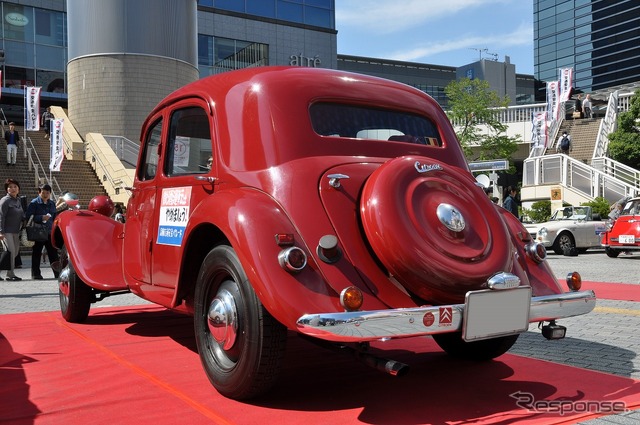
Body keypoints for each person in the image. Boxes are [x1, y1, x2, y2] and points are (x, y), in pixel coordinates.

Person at [26, 184, 60, 280]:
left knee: (53, 254)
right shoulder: (34, 203)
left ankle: (58, 274)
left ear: (50, 193)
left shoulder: (52, 203)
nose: (45, 195)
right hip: (38, 232)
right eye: (43, 192)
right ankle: (36, 274)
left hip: (49, 232)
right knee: (37, 253)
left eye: (47, 193)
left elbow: (54, 217)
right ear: (39, 192)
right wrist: (40, 217)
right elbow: (28, 216)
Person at [0, 178, 24, 281]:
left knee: (14, 252)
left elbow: (21, 214)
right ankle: (10, 274)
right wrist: (0, 231)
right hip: (6, 231)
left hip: (16, 231)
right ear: (7, 189)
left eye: (15, 186)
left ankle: (9, 273)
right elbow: (1, 217)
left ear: (18, 189)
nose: (13, 189)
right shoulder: (5, 201)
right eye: (10, 187)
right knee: (10, 251)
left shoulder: (18, 200)